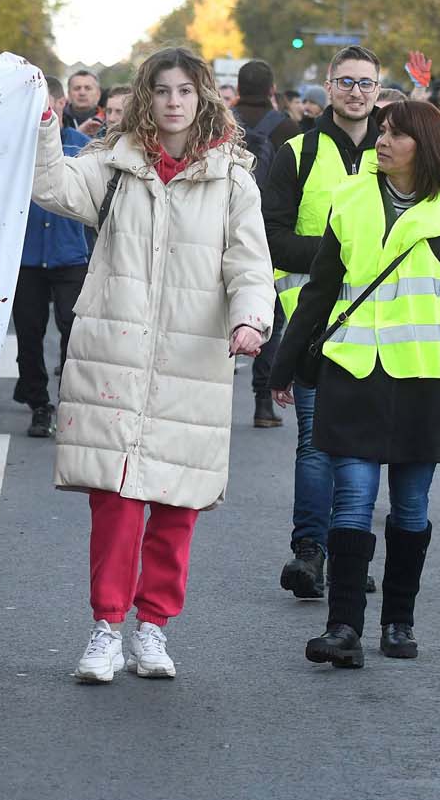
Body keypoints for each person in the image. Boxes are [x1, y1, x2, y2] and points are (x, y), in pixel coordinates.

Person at [31, 47, 273, 683]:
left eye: (185, 91)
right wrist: (42, 128)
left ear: (203, 99)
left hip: (192, 359)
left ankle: (153, 628)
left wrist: (251, 318)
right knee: (114, 498)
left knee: (176, 502)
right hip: (115, 350)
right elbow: (49, 186)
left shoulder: (233, 180)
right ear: (146, 97)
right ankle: (106, 627)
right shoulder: (111, 168)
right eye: (162, 90)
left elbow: (250, 265)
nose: (173, 101)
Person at [271, 100, 440, 666]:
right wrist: (285, 363)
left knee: (410, 509)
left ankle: (398, 623)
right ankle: (343, 628)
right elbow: (320, 289)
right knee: (354, 501)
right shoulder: (351, 197)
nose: (381, 141)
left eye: (395, 134)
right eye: (381, 132)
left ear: (426, 145)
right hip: (354, 372)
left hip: (423, 379)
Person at [262, 45, 383, 600]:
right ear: (327, 87)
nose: (356, 92)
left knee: (362, 445)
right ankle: (308, 553)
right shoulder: (295, 152)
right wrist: (341, 254)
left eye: (366, 83)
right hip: (312, 322)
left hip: (385, 327)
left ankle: (350, 553)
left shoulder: (397, 149)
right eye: (346, 82)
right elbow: (273, 236)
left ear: (378, 90)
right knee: (314, 443)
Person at [230, 59, 300, 428]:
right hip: (269, 229)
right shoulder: (287, 127)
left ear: (238, 87)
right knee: (267, 312)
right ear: (272, 89)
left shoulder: (220, 122)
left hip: (223, 227)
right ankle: (262, 401)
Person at [12, 116, 91, 438]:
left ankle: (70, 401)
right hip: (28, 255)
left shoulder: (78, 144)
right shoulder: (16, 143)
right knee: (29, 334)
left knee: (72, 331)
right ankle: (39, 403)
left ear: (58, 105)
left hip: (69, 253)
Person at [63, 69, 104, 137]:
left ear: (98, 94)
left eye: (88, 88)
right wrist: (78, 134)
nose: (82, 93)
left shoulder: (109, 119)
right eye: (77, 88)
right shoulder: (58, 121)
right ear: (69, 94)